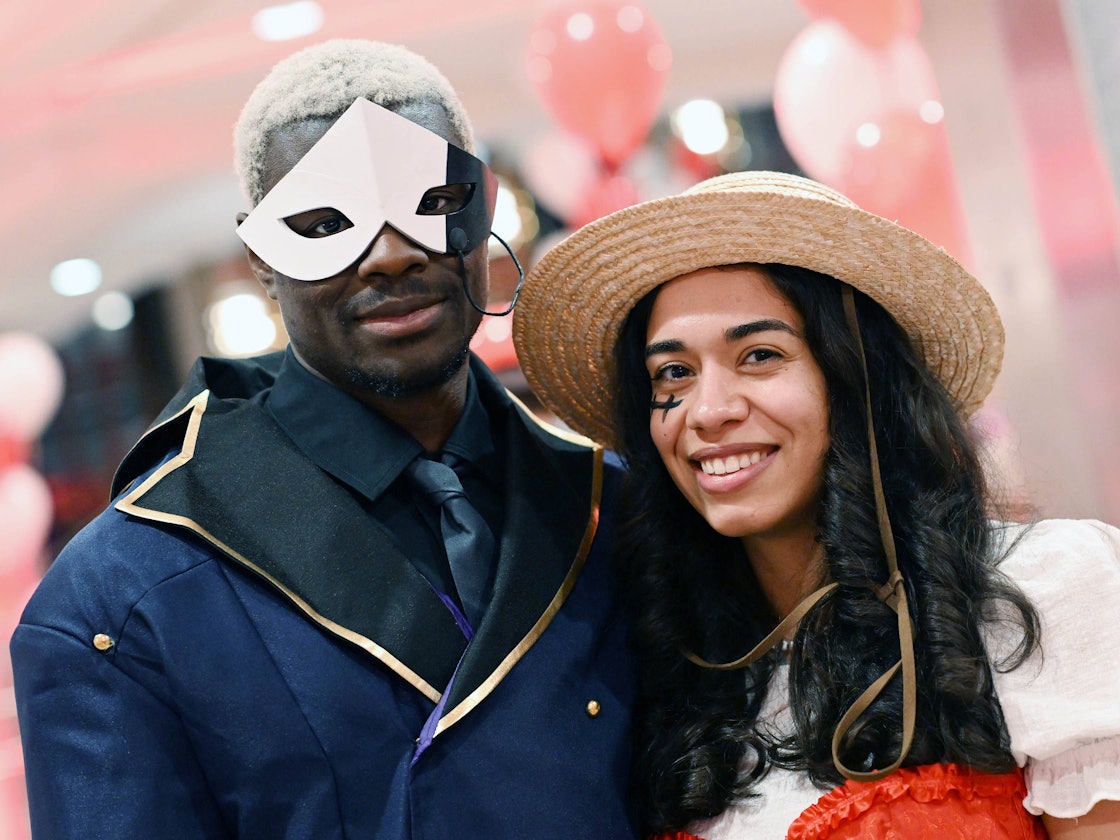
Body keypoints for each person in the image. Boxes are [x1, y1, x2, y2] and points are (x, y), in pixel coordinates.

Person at [11, 39, 636, 839]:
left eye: (434, 202)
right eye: (325, 224)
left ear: (485, 207)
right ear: (260, 259)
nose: (392, 255)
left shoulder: (612, 509)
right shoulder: (124, 593)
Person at [512, 170, 1120, 839]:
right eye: (674, 373)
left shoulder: (1039, 591)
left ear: (856, 377)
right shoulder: (669, 677)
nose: (708, 412)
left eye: (759, 355)